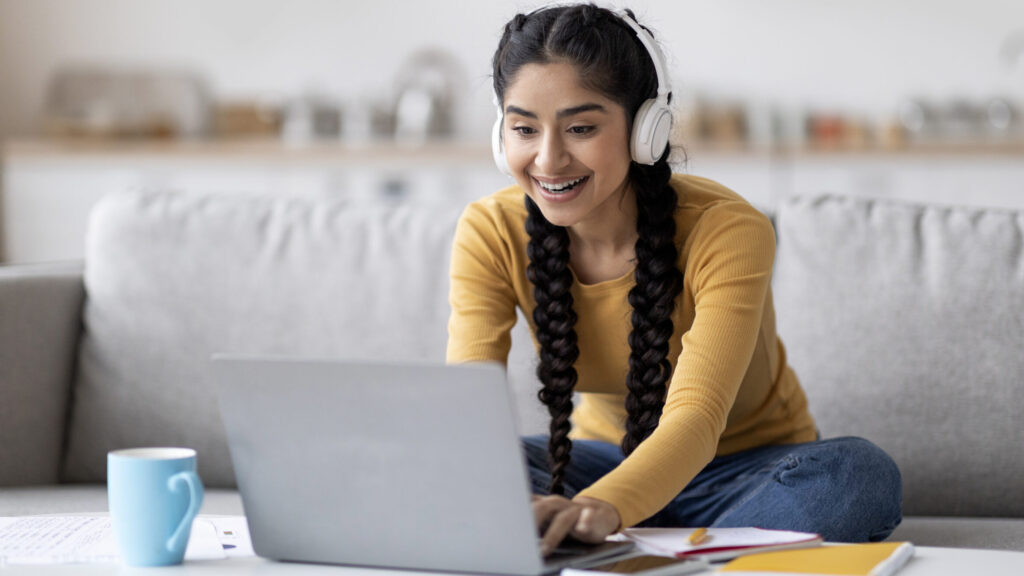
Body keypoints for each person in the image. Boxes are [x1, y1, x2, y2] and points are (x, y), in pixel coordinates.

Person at [446, 3, 902, 556]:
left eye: (582, 128)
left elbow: (697, 417)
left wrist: (605, 507)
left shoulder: (727, 229)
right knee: (453, 461)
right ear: (501, 135)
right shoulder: (489, 230)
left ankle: (611, 544)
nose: (548, 158)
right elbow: (465, 413)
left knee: (855, 475)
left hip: (740, 471)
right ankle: (682, 551)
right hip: (597, 461)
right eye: (523, 128)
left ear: (646, 129)